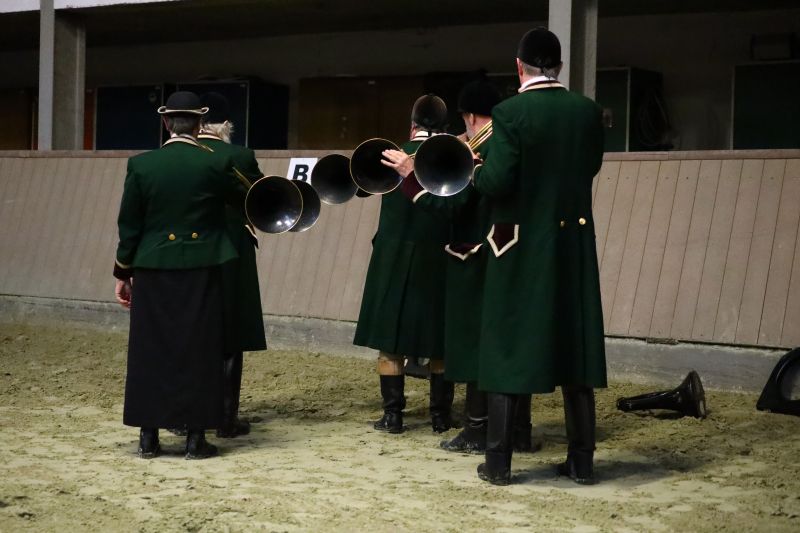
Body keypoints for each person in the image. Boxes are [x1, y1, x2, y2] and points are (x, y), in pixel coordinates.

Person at [471, 28, 607, 485]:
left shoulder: (509, 112)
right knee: (576, 348)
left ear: (519, 66)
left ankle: (498, 462)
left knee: (507, 345)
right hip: (572, 243)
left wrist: (475, 174)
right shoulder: (586, 111)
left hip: (518, 244)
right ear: (560, 66)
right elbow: (590, 167)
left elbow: (498, 181)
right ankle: (582, 461)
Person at [383, 80, 537, 454]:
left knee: (473, 344)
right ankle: (518, 428)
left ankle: (476, 428)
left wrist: (412, 179)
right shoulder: (510, 141)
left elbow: (453, 204)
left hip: (476, 253)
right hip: (512, 248)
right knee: (507, 343)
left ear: (468, 116)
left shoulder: (480, 148)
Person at [113, 91, 246, 460]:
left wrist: (123, 271)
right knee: (200, 350)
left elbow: (129, 225)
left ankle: (148, 437)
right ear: (200, 123)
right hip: (202, 266)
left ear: (166, 122)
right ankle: (195, 439)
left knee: (151, 350)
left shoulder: (141, 165)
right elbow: (246, 200)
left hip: (152, 267)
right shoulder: (216, 162)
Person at [353, 94, 455, 434]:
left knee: (390, 339)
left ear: (412, 126)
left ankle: (393, 415)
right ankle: (440, 416)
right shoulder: (452, 155)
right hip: (439, 254)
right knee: (440, 339)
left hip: (393, 255)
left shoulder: (390, 152)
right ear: (444, 126)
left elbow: (359, 186)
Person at [197, 91, 267, 438]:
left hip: (191, 251)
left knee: (192, 332)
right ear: (226, 124)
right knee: (230, 332)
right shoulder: (239, 156)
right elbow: (260, 196)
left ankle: (189, 414)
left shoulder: (182, 155)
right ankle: (226, 418)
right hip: (232, 251)